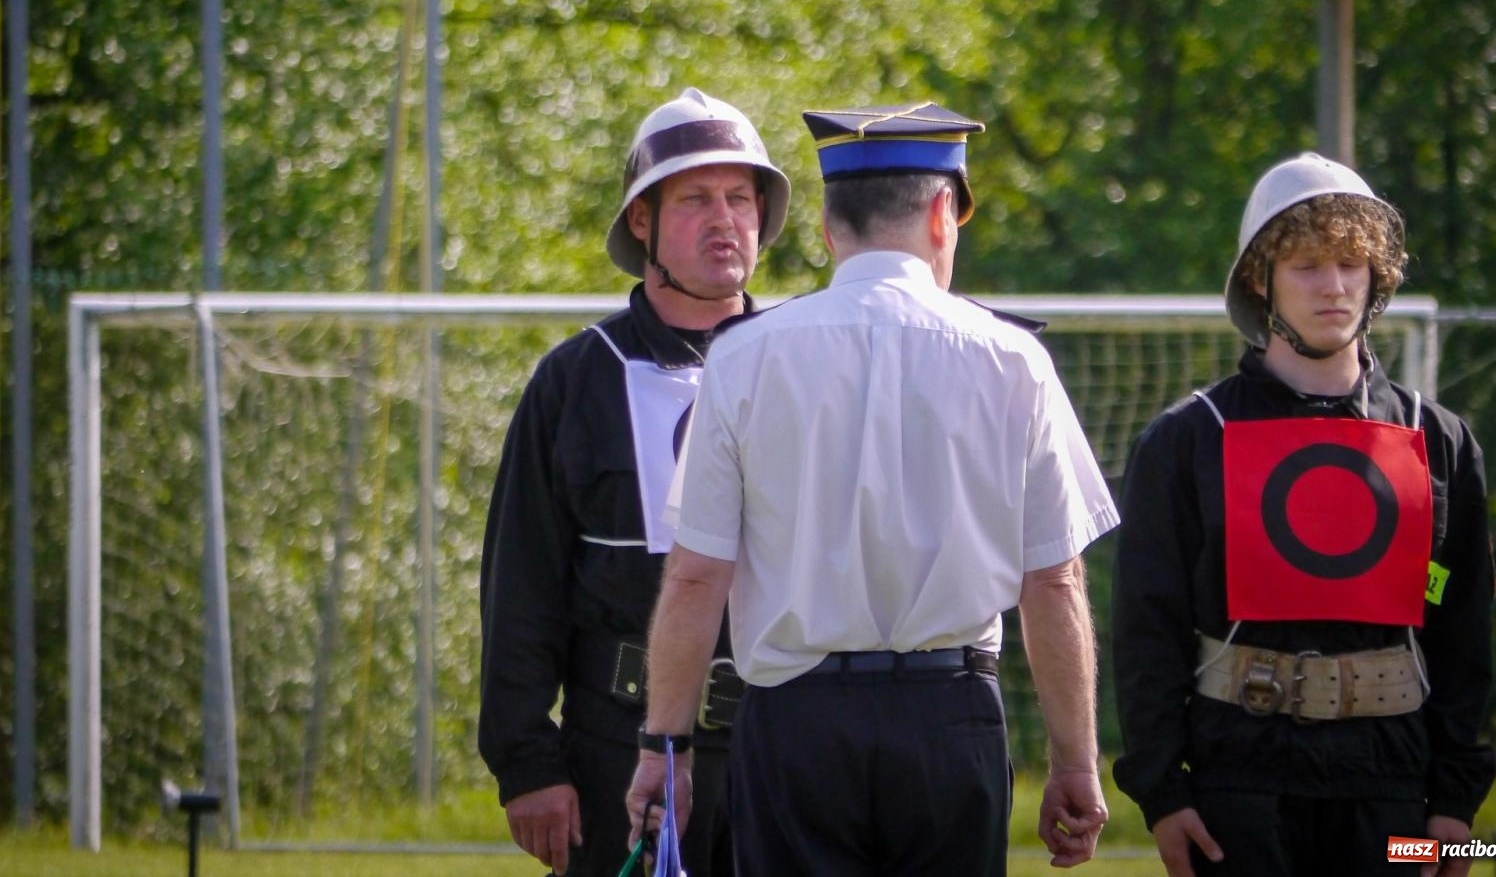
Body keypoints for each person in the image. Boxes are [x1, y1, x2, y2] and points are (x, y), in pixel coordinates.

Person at [625, 102, 1120, 876]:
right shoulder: (1012, 358)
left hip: (795, 724)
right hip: (949, 717)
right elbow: (1053, 582)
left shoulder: (744, 357)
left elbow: (696, 578)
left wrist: (667, 747)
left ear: (829, 229)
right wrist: (1074, 761)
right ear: (941, 215)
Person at [1112, 152, 1496, 876]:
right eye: (1308, 266)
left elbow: (1463, 629)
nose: (1334, 287)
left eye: (1352, 264)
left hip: (1395, 786)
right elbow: (1146, 628)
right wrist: (1163, 792)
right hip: (1237, 785)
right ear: (1261, 278)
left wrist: (1455, 800)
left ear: (1377, 274)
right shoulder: (1187, 440)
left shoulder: (1438, 438)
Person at [478, 88, 790, 877]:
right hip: (615, 750)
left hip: (781, 751)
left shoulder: (806, 365)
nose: (724, 220)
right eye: (695, 199)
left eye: (740, 198)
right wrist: (527, 762)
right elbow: (521, 586)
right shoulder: (574, 381)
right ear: (641, 221)